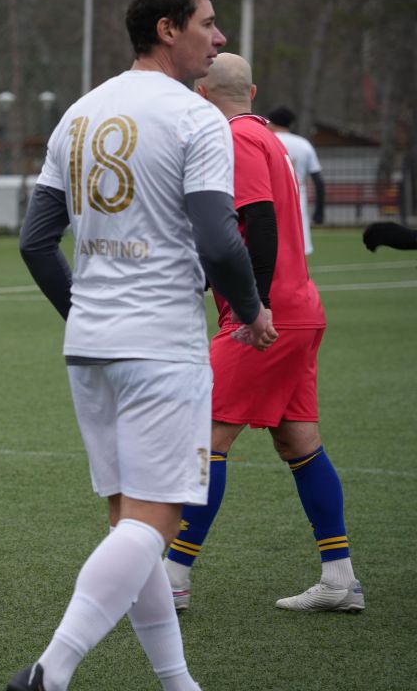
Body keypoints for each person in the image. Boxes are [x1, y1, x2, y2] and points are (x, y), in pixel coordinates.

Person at [11, 0, 276, 691]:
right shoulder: (197, 118)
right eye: (208, 24)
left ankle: (178, 682)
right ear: (167, 29)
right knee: (152, 524)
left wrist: (88, 311)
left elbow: (35, 242)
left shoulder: (79, 112)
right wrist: (251, 310)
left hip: (90, 345)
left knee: (131, 525)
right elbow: (219, 240)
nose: (218, 38)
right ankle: (50, 672)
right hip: (160, 342)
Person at [164, 53, 364, 614]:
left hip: (266, 318)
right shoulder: (271, 138)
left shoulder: (235, 139)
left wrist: (256, 307)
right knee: (298, 441)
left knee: (204, 436)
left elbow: (258, 221)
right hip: (301, 310)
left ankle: (172, 578)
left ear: (201, 96)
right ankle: (340, 579)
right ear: (251, 92)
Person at [266, 106, 325, 255]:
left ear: (271, 122)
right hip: (297, 199)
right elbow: (319, 181)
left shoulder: (266, 140)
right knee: (298, 248)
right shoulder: (303, 144)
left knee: (269, 248)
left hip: (269, 197)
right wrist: (319, 212)